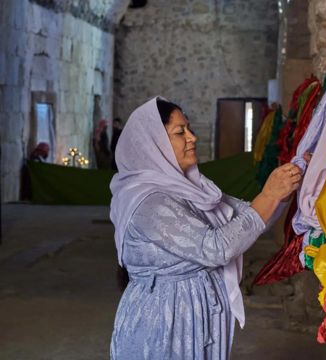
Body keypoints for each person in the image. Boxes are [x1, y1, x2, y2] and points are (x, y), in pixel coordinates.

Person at [109, 97, 302, 359]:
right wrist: (269, 196)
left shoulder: (190, 188)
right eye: (180, 132)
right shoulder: (148, 202)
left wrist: (288, 183)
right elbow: (215, 248)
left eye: (189, 129)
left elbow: (247, 218)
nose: (192, 137)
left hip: (195, 312)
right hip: (164, 321)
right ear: (154, 145)